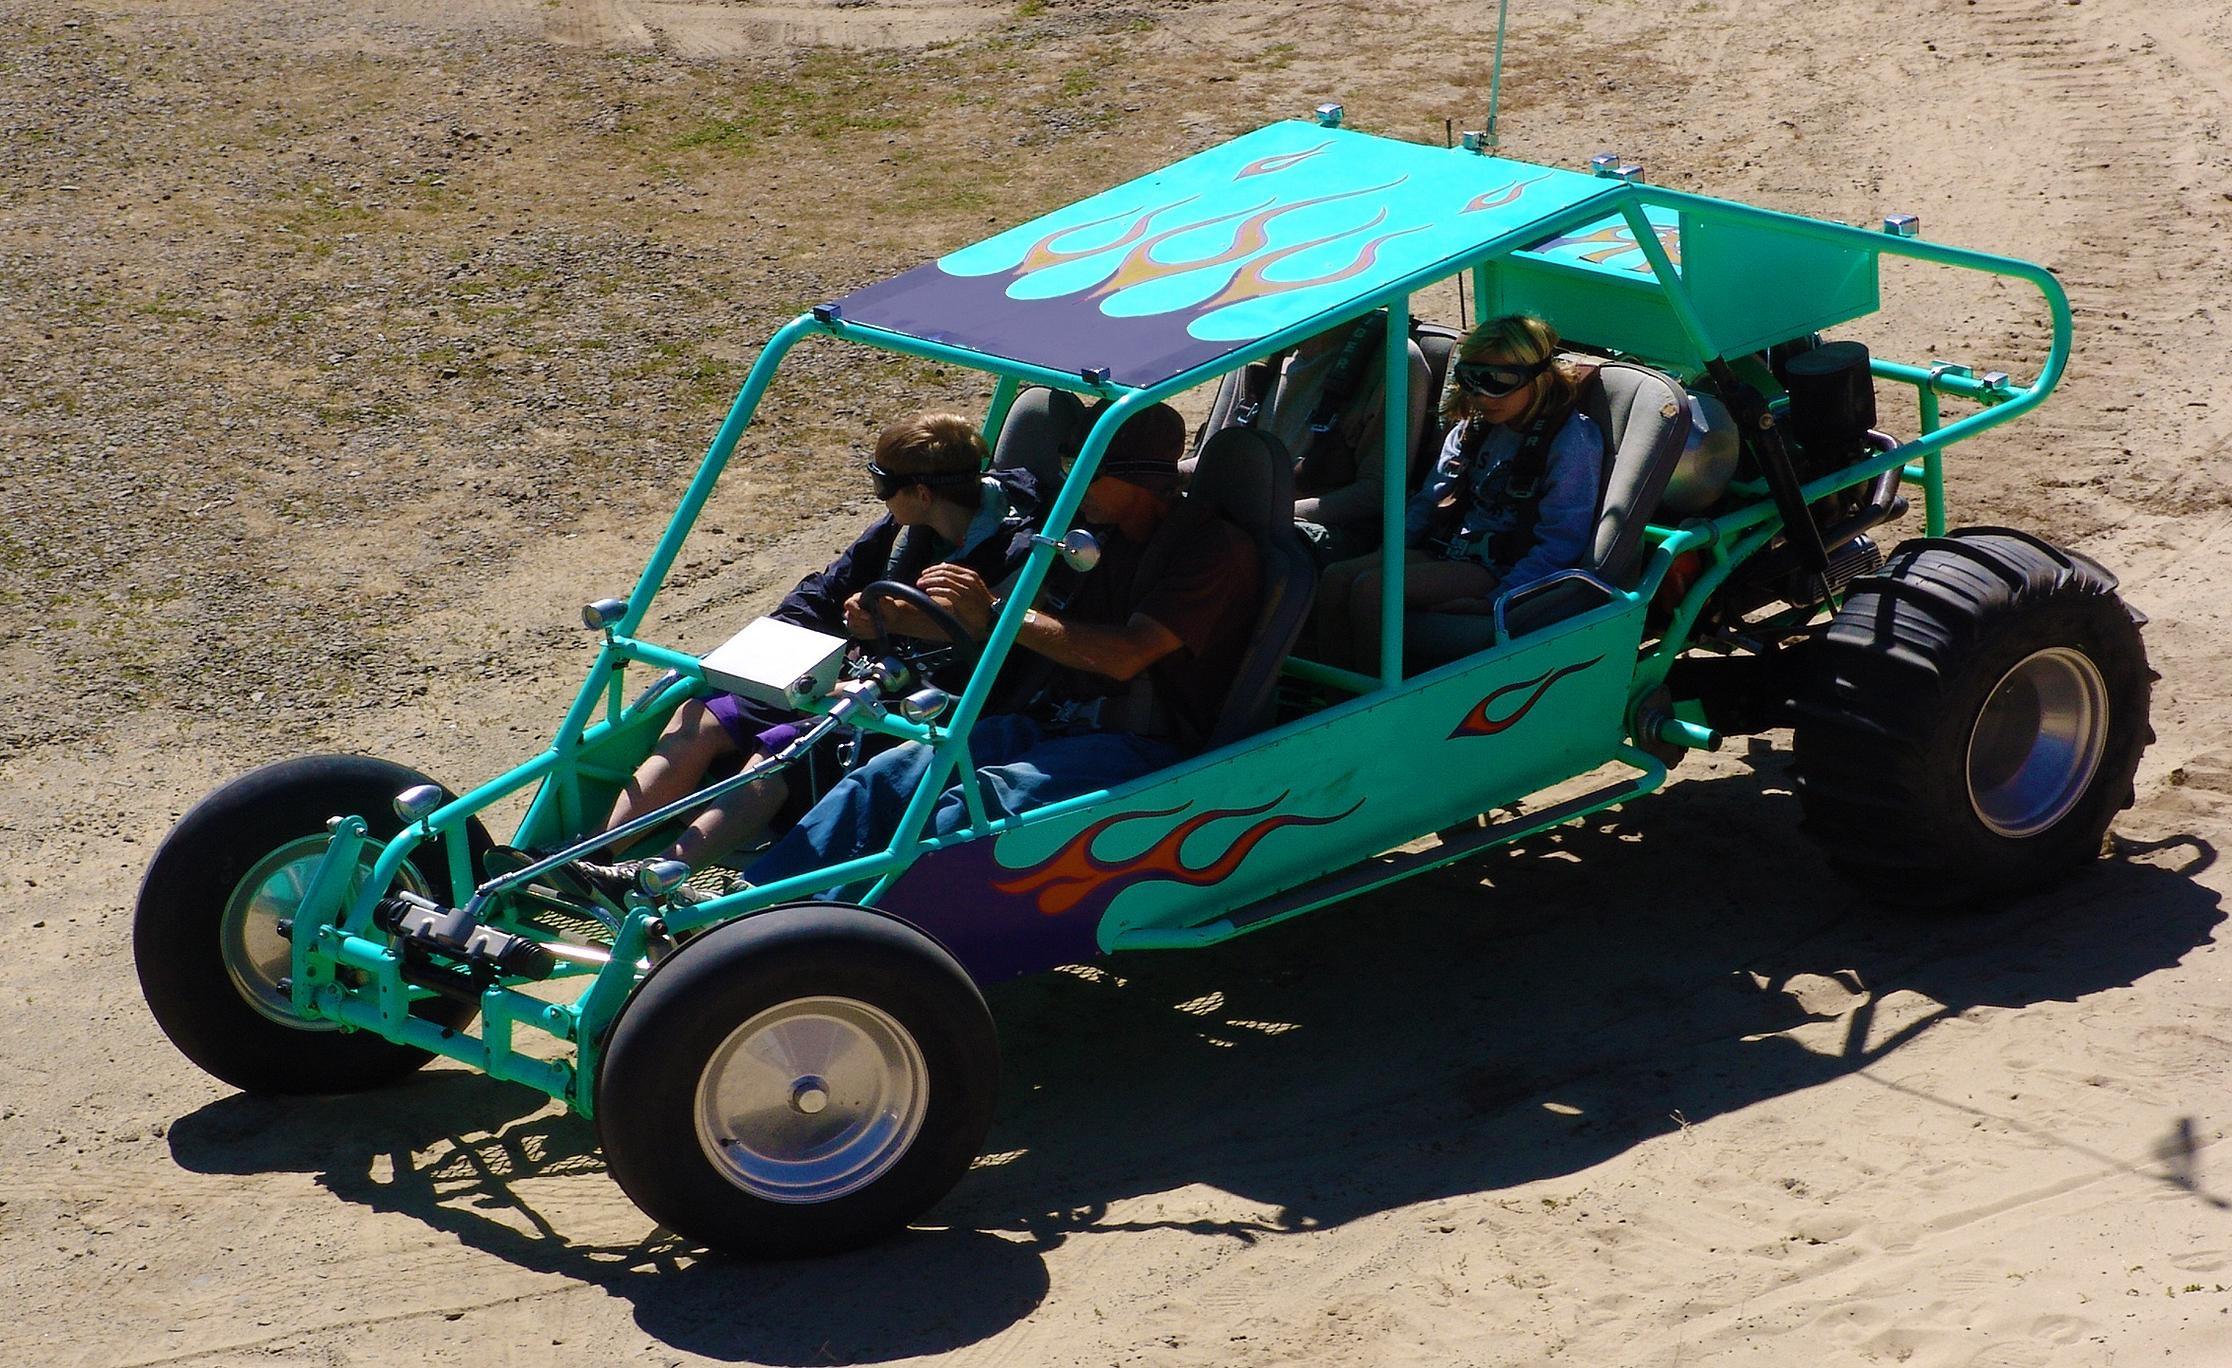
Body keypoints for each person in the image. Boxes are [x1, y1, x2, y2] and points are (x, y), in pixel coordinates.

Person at [744, 402, 1263, 891]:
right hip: (1050, 721)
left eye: (1085, 470)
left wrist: (996, 612)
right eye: (1066, 464)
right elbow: (1014, 618)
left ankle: (826, 938)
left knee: (964, 809)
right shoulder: (1091, 532)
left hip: (1141, 741)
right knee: (886, 778)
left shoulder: (1213, 551)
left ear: (1137, 477)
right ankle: (752, 908)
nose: (1070, 482)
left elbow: (1124, 656)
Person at [566, 411, 1045, 892]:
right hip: (856, 678)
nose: (878, 495)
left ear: (922, 492)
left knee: (778, 752)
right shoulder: (901, 531)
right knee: (703, 715)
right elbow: (824, 593)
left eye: (882, 484)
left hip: (929, 707)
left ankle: (652, 877)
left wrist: (876, 651)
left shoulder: (1016, 553)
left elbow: (995, 656)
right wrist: (768, 647)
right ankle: (589, 856)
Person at [1311, 313, 1602, 671]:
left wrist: (1499, 599)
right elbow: (1429, 500)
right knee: (1337, 577)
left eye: (1499, 381)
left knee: (1374, 590)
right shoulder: (1472, 428)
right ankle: (1330, 697)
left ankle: (1368, 709)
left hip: (1498, 565)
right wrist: (1394, 549)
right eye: (1472, 379)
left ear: (1538, 378)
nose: (1481, 394)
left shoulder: (1571, 440)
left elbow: (1562, 541)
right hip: (1447, 548)